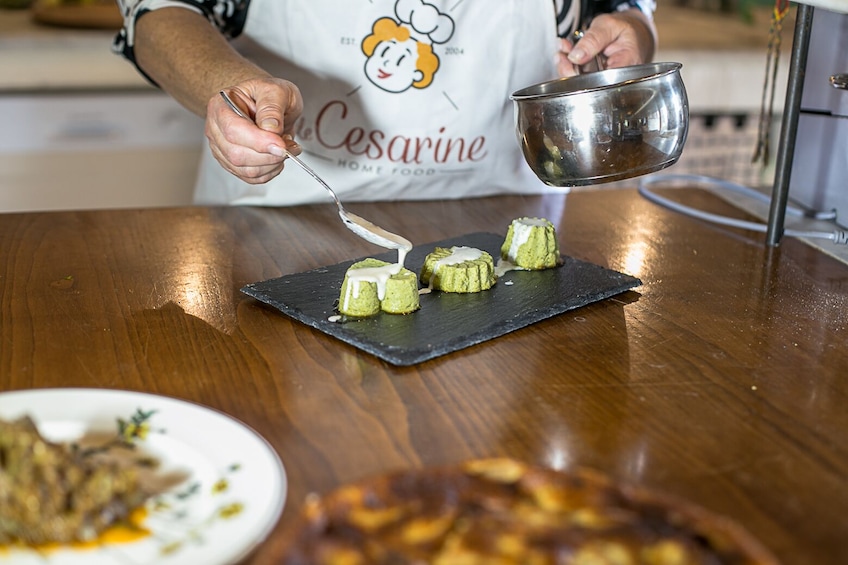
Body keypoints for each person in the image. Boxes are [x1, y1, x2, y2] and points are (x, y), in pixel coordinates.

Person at [113, 0, 657, 206]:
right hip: (277, 223)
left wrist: (629, 25)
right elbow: (161, 11)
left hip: (504, 224)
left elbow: (618, 10)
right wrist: (228, 80)